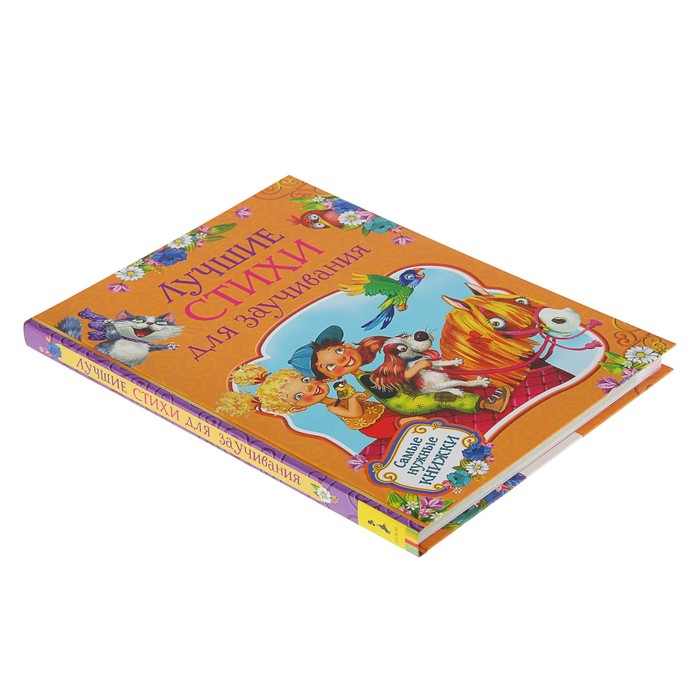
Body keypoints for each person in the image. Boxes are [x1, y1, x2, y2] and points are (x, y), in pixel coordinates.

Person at [288, 325, 511, 415]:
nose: (343, 358)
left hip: (409, 394)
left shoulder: (368, 373)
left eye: (338, 350)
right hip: (406, 403)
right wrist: (418, 367)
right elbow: (395, 385)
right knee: (444, 396)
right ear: (328, 377)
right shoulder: (365, 379)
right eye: (330, 366)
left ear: (346, 345)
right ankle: (487, 404)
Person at [216, 363, 416, 439]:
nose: (310, 387)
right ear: (297, 408)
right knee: (403, 422)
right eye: (299, 396)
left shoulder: (339, 395)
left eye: (305, 381)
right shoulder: (332, 407)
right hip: (374, 426)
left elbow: (366, 397)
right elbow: (355, 413)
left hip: (382, 411)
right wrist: (355, 398)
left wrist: (368, 391)